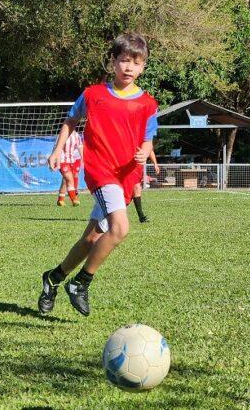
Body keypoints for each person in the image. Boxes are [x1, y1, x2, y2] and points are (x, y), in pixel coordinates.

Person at [38, 32, 159, 317]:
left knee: (92, 239)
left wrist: (144, 151)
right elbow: (71, 120)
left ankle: (53, 279)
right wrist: (57, 151)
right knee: (120, 228)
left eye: (136, 62)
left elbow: (149, 136)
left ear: (143, 67)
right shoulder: (93, 94)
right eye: (124, 61)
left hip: (126, 175)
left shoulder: (148, 104)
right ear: (113, 62)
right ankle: (81, 283)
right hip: (101, 171)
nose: (129, 67)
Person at [56, 129, 83, 206]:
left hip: (72, 160)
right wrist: (56, 161)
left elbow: (80, 146)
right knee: (69, 179)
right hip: (62, 160)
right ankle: (74, 200)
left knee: (66, 179)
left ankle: (61, 199)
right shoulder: (61, 135)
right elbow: (56, 148)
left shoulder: (76, 135)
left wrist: (83, 159)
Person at [132, 150, 159, 223]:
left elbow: (150, 150)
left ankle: (141, 217)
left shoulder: (143, 140)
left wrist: (155, 164)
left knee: (137, 188)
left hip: (136, 168)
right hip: (122, 165)